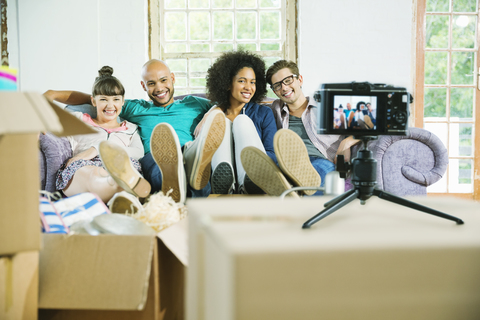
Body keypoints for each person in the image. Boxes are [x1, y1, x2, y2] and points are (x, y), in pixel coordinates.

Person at [44, 59, 225, 204]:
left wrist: (212, 112)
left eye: (164, 80)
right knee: (158, 167)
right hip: (156, 157)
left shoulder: (194, 103)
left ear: (173, 78)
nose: (160, 88)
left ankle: (191, 172)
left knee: (193, 154)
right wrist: (53, 94)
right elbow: (98, 98)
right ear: (143, 86)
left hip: (188, 151)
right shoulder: (135, 108)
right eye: (151, 83)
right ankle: (176, 184)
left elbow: (226, 106)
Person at [241, 60, 357, 196]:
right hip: (287, 164)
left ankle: (290, 192)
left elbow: (372, 123)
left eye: (288, 81)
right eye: (278, 85)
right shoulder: (273, 111)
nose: (284, 88)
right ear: (274, 91)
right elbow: (240, 105)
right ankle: (288, 188)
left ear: (299, 79)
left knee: (317, 173)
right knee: (278, 170)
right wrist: (216, 108)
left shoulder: (326, 105)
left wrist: (346, 142)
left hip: (320, 161)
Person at [52, 66, 150, 204]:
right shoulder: (79, 120)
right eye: (103, 99)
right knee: (96, 174)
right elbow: (47, 120)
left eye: (116, 99)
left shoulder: (131, 129)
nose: (110, 105)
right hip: (83, 169)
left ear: (123, 101)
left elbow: (139, 153)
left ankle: (122, 193)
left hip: (120, 167)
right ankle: (123, 190)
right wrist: (52, 94)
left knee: (121, 170)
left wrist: (99, 148)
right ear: (93, 101)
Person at [198, 49, 278, 194]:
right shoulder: (214, 114)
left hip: (258, 173)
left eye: (252, 82)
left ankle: (251, 180)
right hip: (220, 175)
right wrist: (213, 113)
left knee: (242, 121)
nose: (248, 87)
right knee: (221, 122)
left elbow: (272, 153)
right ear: (228, 84)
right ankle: (225, 183)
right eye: (242, 81)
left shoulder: (263, 113)